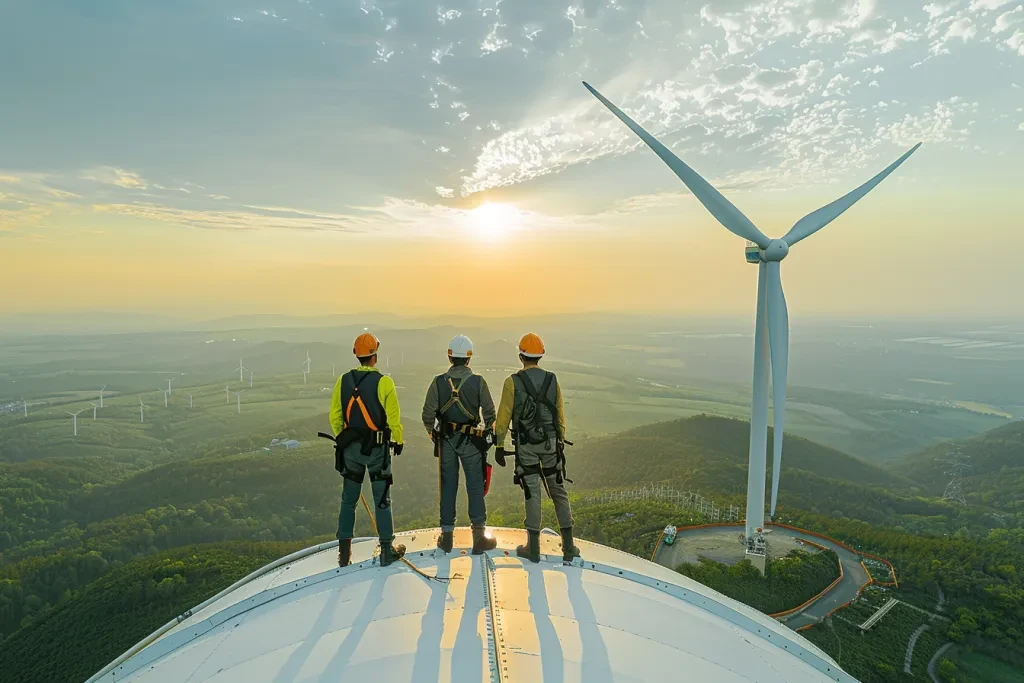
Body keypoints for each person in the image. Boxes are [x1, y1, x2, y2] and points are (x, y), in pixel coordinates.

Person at [494, 332, 579, 563]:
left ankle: (533, 548)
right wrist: (559, 440)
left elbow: (503, 418)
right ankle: (569, 547)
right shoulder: (553, 380)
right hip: (551, 444)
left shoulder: (512, 382)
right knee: (559, 491)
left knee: (532, 492)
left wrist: (499, 445)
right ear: (540, 356)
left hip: (527, 447)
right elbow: (559, 415)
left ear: (521, 356)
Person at [329, 332, 405, 568]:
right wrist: (399, 440)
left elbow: (335, 416)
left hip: (350, 449)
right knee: (382, 499)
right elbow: (393, 418)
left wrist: (345, 437)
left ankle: (344, 554)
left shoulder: (343, 380)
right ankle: (386, 550)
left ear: (356, 354)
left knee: (348, 499)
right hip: (377, 449)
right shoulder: (385, 382)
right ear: (375, 355)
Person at [421, 334, 498, 554]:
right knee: (474, 487)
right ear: (469, 359)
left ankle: (446, 537)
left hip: (446, 441)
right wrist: (488, 434)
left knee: (448, 487)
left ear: (449, 356)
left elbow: (427, 414)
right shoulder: (478, 382)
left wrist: (433, 434)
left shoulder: (438, 383)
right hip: (472, 442)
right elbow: (490, 413)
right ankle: (478, 537)